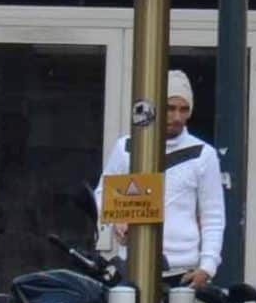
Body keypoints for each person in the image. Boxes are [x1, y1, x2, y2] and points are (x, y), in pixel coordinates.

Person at [96, 69, 224, 286]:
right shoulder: (126, 147)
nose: (177, 117)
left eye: (184, 110)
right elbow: (102, 194)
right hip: (134, 262)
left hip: (181, 268)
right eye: (170, 108)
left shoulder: (203, 153)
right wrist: (117, 219)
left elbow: (213, 215)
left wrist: (208, 266)